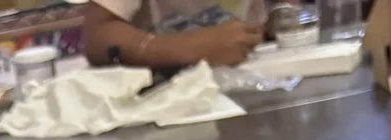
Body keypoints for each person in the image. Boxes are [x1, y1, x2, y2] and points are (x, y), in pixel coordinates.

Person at [80, 1, 261, 71]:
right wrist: (192, 48)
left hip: (258, 88)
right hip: (166, 107)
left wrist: (281, 14)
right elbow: (98, 34)